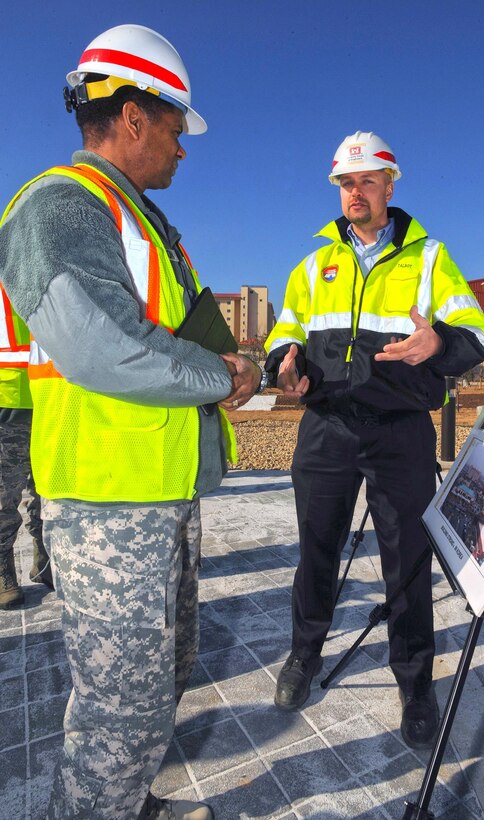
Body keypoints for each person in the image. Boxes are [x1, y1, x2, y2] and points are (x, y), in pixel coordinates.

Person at [0, 24, 262, 820]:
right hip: (107, 505)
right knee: (117, 710)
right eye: (178, 130)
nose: (184, 149)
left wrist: (253, 366)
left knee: (155, 686)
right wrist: (222, 379)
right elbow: (99, 345)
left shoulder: (147, 226)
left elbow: (189, 331)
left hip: (162, 495)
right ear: (136, 118)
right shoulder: (59, 205)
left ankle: (127, 802)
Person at [264, 131, 484, 749]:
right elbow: (285, 328)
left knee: (407, 561)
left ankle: (415, 682)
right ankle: (304, 654)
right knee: (316, 548)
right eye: (346, 183)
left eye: (367, 181)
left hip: (399, 433)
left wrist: (438, 343)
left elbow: (475, 330)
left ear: (390, 186)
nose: (355, 193)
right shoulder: (313, 266)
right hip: (326, 429)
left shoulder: (428, 258)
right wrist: (282, 358)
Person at [0, 290, 53, 608]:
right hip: (5, 394)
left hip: (49, 388)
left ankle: (45, 560)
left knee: (48, 490)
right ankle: (3, 571)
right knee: (4, 494)